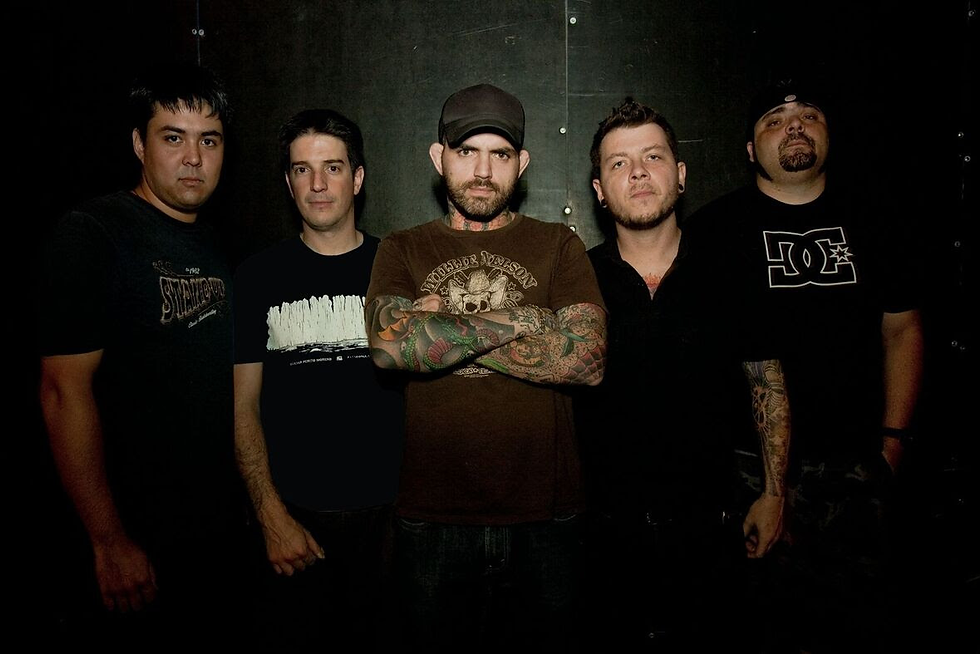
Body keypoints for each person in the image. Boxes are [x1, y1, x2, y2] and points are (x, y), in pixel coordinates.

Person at [364, 83, 607, 650]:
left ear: (522, 164)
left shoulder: (559, 245)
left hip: (547, 518)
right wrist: (529, 319)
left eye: (500, 154)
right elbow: (390, 347)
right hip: (432, 518)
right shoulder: (401, 248)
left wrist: (440, 322)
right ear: (438, 157)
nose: (482, 170)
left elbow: (587, 358)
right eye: (466, 151)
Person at [690, 78, 924, 653]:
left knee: (860, 631)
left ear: (829, 134)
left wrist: (893, 447)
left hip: (857, 465)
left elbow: (903, 331)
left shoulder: (875, 218)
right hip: (750, 471)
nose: (794, 125)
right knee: (758, 632)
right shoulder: (715, 230)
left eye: (808, 115)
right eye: (774, 119)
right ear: (751, 150)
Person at [37, 63, 248, 646]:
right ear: (138, 143)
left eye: (210, 140)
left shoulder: (217, 243)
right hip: (133, 540)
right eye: (173, 137)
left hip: (211, 535)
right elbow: (62, 392)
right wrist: (108, 540)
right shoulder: (92, 234)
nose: (193, 158)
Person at [577, 98, 790, 651]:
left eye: (653, 156)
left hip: (713, 534)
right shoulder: (577, 280)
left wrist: (774, 494)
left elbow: (766, 381)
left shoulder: (732, 271)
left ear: (681, 175)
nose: (638, 172)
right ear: (599, 190)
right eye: (619, 163)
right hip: (602, 540)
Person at [233, 109, 403, 649]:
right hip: (296, 525)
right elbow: (242, 406)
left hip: (394, 525)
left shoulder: (397, 269)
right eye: (302, 170)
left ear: (358, 177)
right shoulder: (257, 277)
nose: (318, 184)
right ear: (288, 184)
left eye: (332, 167)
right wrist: (270, 516)